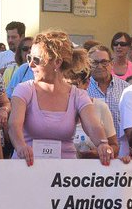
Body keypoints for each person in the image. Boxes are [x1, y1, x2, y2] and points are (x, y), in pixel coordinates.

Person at [7, 30, 113, 166]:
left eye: (36, 60)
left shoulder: (78, 95)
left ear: (57, 62)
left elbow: (93, 125)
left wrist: (102, 144)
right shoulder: (24, 89)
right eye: (29, 58)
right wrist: (21, 146)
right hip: (28, 167)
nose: (30, 64)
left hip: (64, 173)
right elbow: (14, 125)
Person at [65, 50, 117, 158]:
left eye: (74, 84)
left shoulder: (100, 107)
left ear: (87, 83)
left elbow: (114, 146)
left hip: (93, 172)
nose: (69, 90)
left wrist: (101, 151)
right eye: (65, 84)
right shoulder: (55, 107)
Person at [86, 45, 126, 135]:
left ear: (111, 63)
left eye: (104, 62)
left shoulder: (126, 89)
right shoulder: (83, 90)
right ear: (88, 64)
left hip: (121, 146)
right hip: (92, 147)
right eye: (95, 63)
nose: (100, 66)